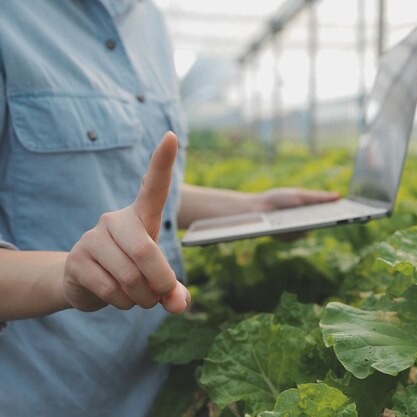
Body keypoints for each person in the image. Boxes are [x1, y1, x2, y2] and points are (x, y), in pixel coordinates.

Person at [0, 1, 338, 415]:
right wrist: (67, 275)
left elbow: (135, 189)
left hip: (159, 386)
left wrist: (257, 207)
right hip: (52, 394)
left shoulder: (149, 23)